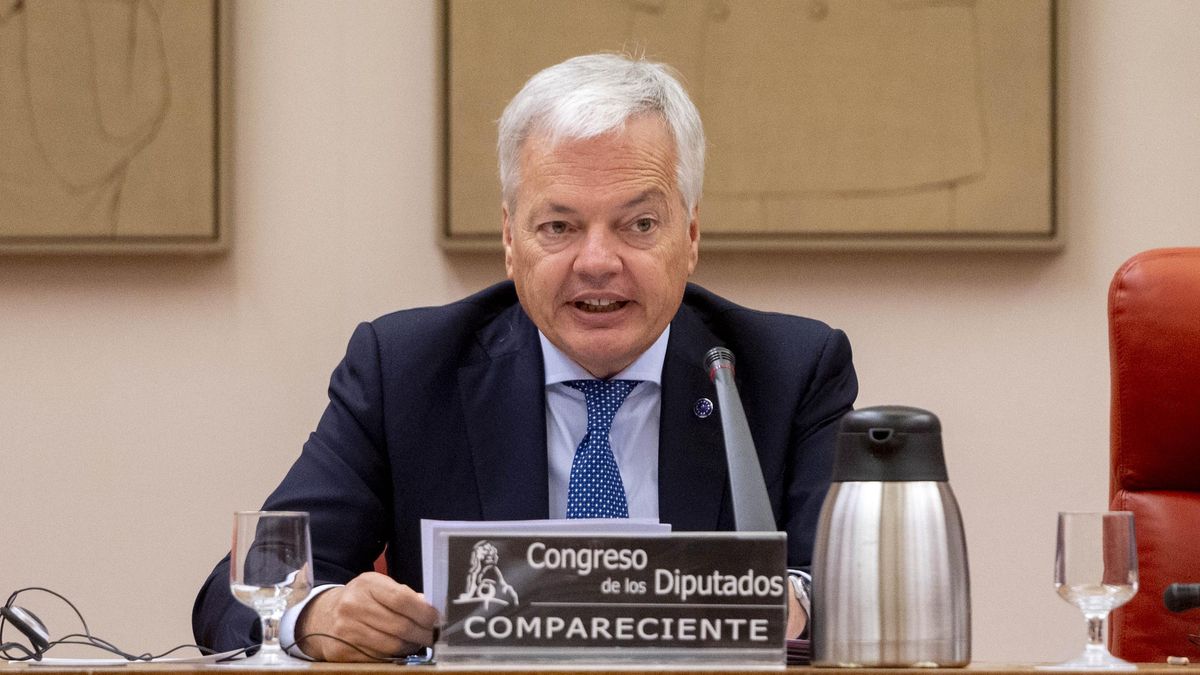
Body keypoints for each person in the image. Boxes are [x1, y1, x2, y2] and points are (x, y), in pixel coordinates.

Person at [192, 53, 857, 661]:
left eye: (639, 224)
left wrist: (797, 600)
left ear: (690, 234)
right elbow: (236, 597)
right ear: (511, 240)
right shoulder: (407, 370)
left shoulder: (787, 371)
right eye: (559, 226)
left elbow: (850, 594)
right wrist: (314, 615)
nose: (598, 262)